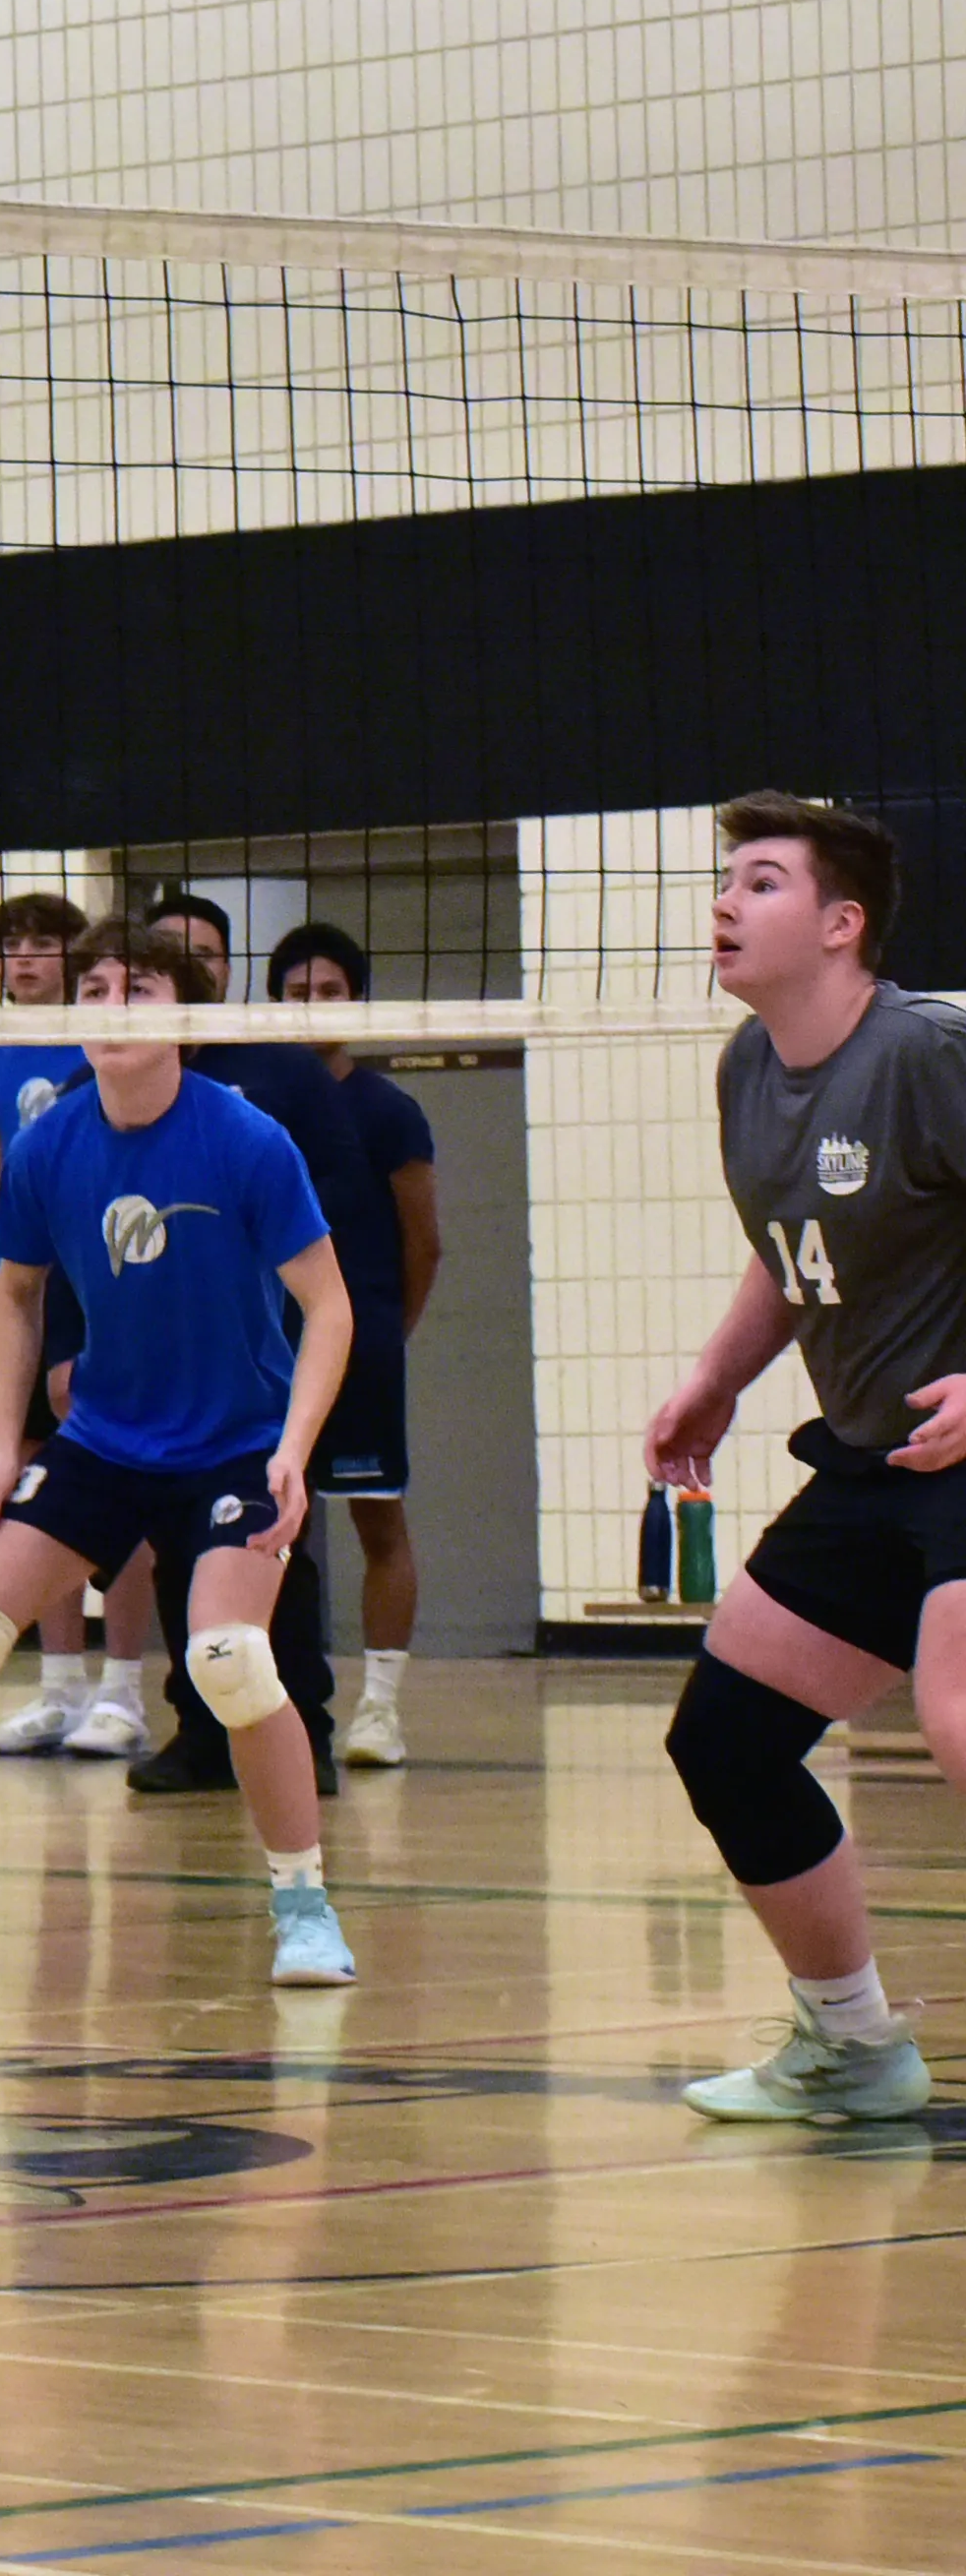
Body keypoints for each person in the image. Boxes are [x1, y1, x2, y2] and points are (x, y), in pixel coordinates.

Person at [0, 919, 361, 1991]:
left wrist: (294, 1449)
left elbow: (328, 1306)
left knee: (230, 1660)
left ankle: (304, 1903)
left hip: (237, 1443)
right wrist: (7, 1445)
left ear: (183, 1012)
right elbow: (16, 1293)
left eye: (134, 988)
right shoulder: (52, 1142)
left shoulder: (245, 1138)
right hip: (103, 1438)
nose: (105, 1006)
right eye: (91, 987)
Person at [646, 793, 966, 2124]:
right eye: (726, 879)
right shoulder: (748, 1071)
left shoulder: (927, 1053)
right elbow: (798, 1260)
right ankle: (854, 2046)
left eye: (762, 882)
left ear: (843, 925)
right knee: (728, 1740)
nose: (726, 902)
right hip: (874, 1463)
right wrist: (716, 1380)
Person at [150, 894, 349, 1800]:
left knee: (277, 1548)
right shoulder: (108, 1083)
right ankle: (197, 1731)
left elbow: (342, 1225)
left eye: (207, 952)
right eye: (170, 954)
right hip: (149, 1387)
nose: (193, 966)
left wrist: (355, 1335)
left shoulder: (284, 1074)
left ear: (226, 968)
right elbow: (66, 1249)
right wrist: (70, 1345)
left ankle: (306, 1729)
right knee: (171, 1552)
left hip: (266, 1374)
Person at [0, 889, 154, 1759]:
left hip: (114, 1286)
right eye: (16, 945)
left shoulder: (125, 1058)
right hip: (41, 1282)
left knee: (126, 1481)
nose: (29, 958)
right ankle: (57, 1690)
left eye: (47, 943)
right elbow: (18, 1180)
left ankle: (123, 1692)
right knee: (39, 1487)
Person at [271, 919, 447, 1766]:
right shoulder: (251, 1104)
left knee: (379, 1521)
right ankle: (281, 1701)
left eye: (329, 992)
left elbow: (425, 1241)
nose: (313, 1008)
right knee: (271, 1525)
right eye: (298, 994)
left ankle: (380, 1710)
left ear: (358, 999)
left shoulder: (388, 1109)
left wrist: (382, 1328)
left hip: (361, 1339)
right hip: (268, 1348)